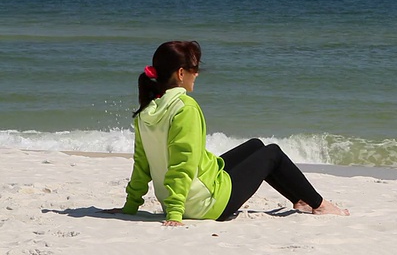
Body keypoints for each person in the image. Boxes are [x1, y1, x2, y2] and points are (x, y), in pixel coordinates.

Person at [103, 41, 349, 226]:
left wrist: (131, 206)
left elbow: (142, 163)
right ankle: (320, 204)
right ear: (181, 73)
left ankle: (300, 200)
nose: (196, 74)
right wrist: (176, 213)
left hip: (181, 197)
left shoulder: (146, 111)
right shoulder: (184, 108)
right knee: (272, 153)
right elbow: (183, 163)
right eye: (194, 69)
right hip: (205, 205)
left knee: (256, 145)